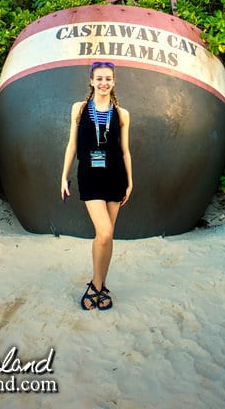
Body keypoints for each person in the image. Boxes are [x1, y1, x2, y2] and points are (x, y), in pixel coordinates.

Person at [60, 61, 133, 310]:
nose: (104, 83)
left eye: (108, 78)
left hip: (115, 176)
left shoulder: (122, 114)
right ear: (91, 81)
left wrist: (130, 182)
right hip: (89, 175)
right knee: (103, 233)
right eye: (99, 78)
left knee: (108, 236)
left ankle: (99, 286)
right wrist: (63, 176)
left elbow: (125, 151)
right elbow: (71, 145)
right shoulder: (79, 109)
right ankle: (96, 284)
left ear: (114, 81)